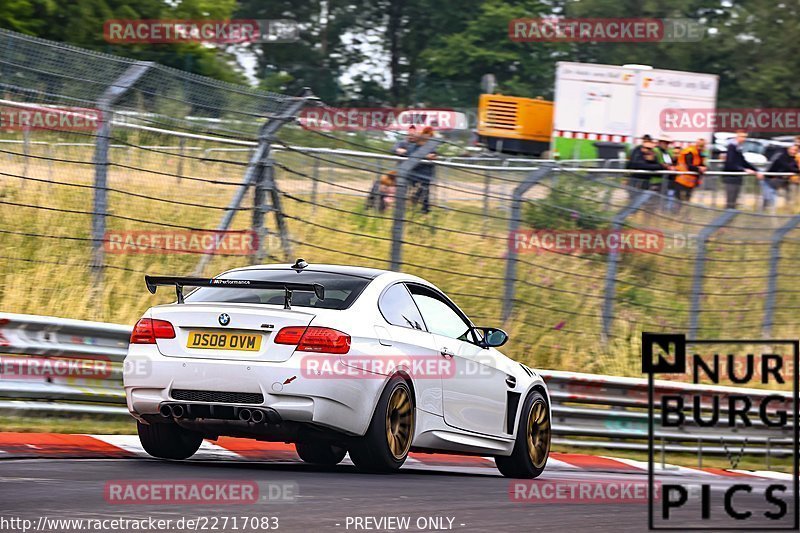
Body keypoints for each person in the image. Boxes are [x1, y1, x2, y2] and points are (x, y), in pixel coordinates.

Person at [722, 130, 762, 209]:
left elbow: (743, 161)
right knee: (730, 201)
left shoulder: (738, 148)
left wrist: (756, 171)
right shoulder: (732, 147)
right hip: (730, 178)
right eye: (742, 136)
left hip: (737, 178)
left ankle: (729, 219)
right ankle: (724, 219)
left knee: (733, 202)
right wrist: (744, 170)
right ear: (737, 137)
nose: (744, 139)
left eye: (745, 137)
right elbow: (730, 163)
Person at [406, 126, 437, 214]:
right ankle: (412, 206)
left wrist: (428, 157)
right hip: (414, 173)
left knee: (425, 191)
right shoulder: (412, 147)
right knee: (415, 190)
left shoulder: (430, 147)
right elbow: (411, 155)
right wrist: (425, 156)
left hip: (426, 173)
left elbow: (434, 156)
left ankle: (425, 209)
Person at [762, 145, 799, 213]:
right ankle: (765, 212)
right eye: (792, 150)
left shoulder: (792, 159)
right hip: (769, 179)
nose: (793, 152)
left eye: (795, 150)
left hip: (780, 180)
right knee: (769, 198)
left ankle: (788, 211)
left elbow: (795, 168)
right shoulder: (781, 156)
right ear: (788, 149)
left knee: (787, 195)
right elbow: (788, 167)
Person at [674, 138, 708, 202]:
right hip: (682, 181)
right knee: (679, 202)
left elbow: (702, 164)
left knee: (686, 202)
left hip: (691, 182)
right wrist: (699, 168)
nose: (702, 148)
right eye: (701, 146)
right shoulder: (689, 151)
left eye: (703, 146)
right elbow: (689, 166)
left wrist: (704, 167)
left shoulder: (699, 153)